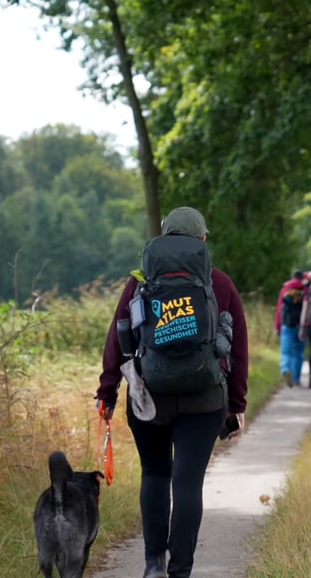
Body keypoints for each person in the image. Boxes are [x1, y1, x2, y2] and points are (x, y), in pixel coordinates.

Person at [96, 206, 248, 578]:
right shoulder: (220, 283)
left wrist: (108, 390)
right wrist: (237, 404)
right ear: (202, 240)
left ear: (164, 236)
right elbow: (239, 347)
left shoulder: (140, 281)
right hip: (204, 397)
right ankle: (180, 570)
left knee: (155, 475)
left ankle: (152, 565)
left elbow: (118, 336)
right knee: (187, 481)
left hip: (149, 397)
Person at [275, 269, 306, 387]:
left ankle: (285, 369)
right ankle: (296, 378)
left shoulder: (286, 289)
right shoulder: (305, 289)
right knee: (298, 353)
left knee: (286, 352)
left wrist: (278, 326)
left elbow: (279, 309)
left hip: (287, 325)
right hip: (302, 326)